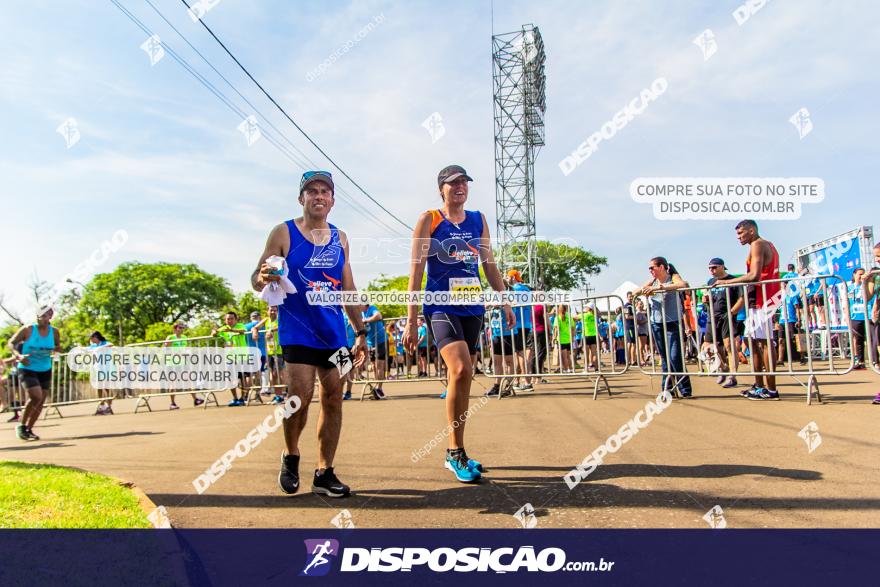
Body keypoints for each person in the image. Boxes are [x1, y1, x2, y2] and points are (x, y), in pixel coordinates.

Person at [253, 169, 367, 497]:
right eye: (312, 191)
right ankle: (290, 455)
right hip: (298, 331)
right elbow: (256, 277)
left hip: (334, 334)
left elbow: (348, 287)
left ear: (332, 200)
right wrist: (263, 277)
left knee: (334, 399)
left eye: (325, 191)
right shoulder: (283, 232)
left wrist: (360, 332)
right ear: (301, 198)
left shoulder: (340, 238)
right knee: (298, 396)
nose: (319, 196)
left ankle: (324, 472)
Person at [404, 164, 514, 484]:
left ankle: (459, 450)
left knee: (463, 378)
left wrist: (504, 299)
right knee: (461, 369)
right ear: (442, 189)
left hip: (472, 307)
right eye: (453, 183)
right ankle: (454, 453)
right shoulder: (430, 219)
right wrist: (411, 319)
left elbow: (488, 265)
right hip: (440, 305)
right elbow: (416, 271)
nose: (460, 187)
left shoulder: (478, 219)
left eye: (464, 182)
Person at [713, 220, 782, 400]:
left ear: (751, 230)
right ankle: (759, 385)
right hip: (757, 299)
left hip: (762, 299)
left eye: (741, 233)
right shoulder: (763, 245)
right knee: (752, 342)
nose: (739, 237)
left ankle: (771, 389)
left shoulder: (758, 244)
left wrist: (727, 281)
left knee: (765, 343)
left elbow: (754, 275)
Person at [635, 257, 693, 398]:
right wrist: (646, 288)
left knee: (675, 356)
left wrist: (658, 288)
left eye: (652, 267)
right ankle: (667, 389)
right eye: (649, 268)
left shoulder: (672, 276)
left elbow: (682, 284)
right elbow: (635, 292)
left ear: (662, 267)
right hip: (657, 323)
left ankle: (685, 388)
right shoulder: (652, 281)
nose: (650, 270)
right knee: (665, 358)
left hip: (673, 322)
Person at [7, 306, 61, 440]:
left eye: (46, 315)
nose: (42, 318)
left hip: (45, 368)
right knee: (36, 396)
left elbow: (57, 346)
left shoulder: (54, 332)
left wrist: (57, 349)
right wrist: (18, 355)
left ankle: (28, 429)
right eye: (40, 315)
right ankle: (21, 425)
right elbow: (11, 343)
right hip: (27, 367)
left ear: (50, 317)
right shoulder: (28, 329)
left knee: (41, 400)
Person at [705, 258, 741, 389]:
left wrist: (732, 312)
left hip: (727, 316)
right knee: (707, 347)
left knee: (729, 346)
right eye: (709, 268)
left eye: (714, 267)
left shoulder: (732, 280)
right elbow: (710, 299)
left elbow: (741, 298)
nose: (711, 270)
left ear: (722, 267)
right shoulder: (710, 281)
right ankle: (723, 368)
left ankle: (733, 376)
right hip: (712, 317)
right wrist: (706, 300)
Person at [211, 312, 251, 406]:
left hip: (241, 356)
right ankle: (235, 398)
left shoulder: (240, 325)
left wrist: (232, 330)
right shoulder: (224, 328)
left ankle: (243, 398)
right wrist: (214, 332)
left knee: (242, 378)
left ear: (236, 319)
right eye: (228, 319)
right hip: (230, 357)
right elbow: (214, 334)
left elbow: (243, 331)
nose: (230, 321)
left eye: (232, 318)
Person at [164, 323, 205, 410]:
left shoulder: (184, 337)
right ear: (175, 329)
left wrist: (188, 353)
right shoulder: (170, 337)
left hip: (183, 363)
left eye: (183, 328)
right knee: (172, 383)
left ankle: (195, 399)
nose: (182, 329)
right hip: (172, 363)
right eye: (180, 328)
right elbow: (166, 348)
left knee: (189, 381)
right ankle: (172, 403)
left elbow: (186, 348)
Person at [506, 269, 534, 391]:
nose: (507, 279)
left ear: (512, 278)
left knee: (520, 353)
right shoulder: (526, 289)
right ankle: (517, 380)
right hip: (527, 323)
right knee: (519, 352)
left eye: (508, 277)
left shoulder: (514, 290)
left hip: (518, 324)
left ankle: (527, 382)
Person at [261, 306, 286, 404]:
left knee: (279, 374)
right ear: (267, 311)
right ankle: (277, 395)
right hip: (270, 351)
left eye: (275, 310)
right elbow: (256, 327)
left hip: (279, 351)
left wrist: (271, 330)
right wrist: (254, 331)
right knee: (273, 375)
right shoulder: (266, 320)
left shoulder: (280, 319)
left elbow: (281, 326)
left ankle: (283, 394)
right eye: (271, 310)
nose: (272, 312)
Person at [361, 304, 387, 399]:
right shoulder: (361, 312)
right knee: (374, 366)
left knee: (379, 365)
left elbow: (378, 316)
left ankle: (379, 389)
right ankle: (376, 388)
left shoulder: (372, 308)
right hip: (370, 342)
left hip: (380, 340)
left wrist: (366, 320)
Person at [88, 331, 115, 415]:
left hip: (106, 368)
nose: (90, 339)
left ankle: (109, 407)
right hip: (97, 369)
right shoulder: (93, 345)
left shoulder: (104, 342)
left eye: (91, 337)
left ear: (96, 337)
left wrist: (100, 348)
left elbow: (111, 344)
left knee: (107, 388)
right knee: (99, 387)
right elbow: (87, 349)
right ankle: (102, 406)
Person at [244, 310, 269, 397]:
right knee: (259, 373)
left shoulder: (246, 326)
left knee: (250, 374)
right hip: (262, 352)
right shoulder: (263, 325)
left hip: (250, 352)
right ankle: (257, 393)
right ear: (259, 317)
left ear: (251, 318)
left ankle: (246, 394)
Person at [848, 269, 868, 370]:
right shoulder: (849, 288)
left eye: (863, 274)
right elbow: (846, 303)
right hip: (855, 316)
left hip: (867, 316)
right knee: (857, 339)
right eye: (860, 274)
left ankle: (874, 360)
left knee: (871, 338)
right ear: (854, 275)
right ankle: (859, 360)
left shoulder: (866, 286)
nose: (861, 276)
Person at [553, 304, 574, 373]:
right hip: (569, 338)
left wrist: (554, 338)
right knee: (568, 355)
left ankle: (566, 369)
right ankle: (571, 369)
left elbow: (556, 329)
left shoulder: (557, 317)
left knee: (564, 356)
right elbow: (573, 328)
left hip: (561, 339)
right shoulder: (569, 317)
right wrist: (572, 337)